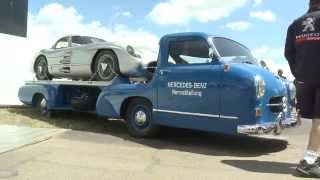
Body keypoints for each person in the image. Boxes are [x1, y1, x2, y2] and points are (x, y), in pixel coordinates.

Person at [285, 0, 320, 177]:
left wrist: (300, 72)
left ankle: (314, 157)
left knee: (316, 121)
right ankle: (309, 162)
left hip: (304, 79)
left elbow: (288, 53)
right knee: (318, 122)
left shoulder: (295, 24)